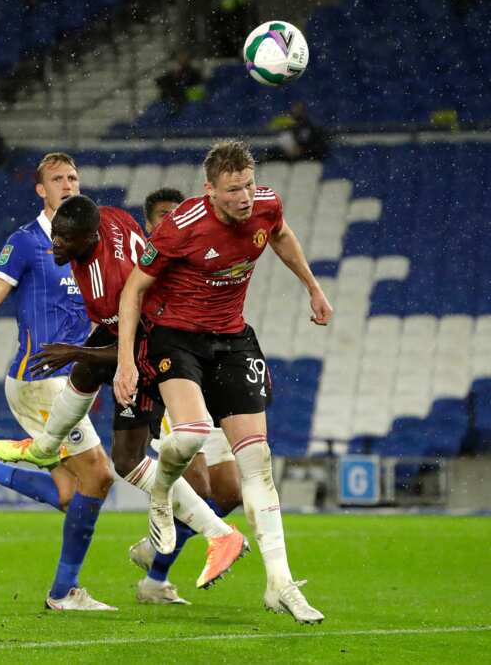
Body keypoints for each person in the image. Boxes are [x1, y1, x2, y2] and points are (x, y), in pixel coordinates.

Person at [0, 194, 246, 605]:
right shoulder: (108, 218)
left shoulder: (110, 283)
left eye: (64, 239)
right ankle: (45, 446)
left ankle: (221, 534)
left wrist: (75, 352)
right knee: (87, 369)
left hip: (160, 346)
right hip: (143, 329)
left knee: (125, 459)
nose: (55, 244)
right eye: (55, 234)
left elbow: (143, 344)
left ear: (89, 236)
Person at [114, 140, 332, 623]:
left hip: (232, 340)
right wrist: (127, 361)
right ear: (209, 189)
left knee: (258, 462)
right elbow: (134, 288)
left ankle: (280, 584)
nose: (245, 197)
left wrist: (313, 288)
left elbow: (280, 234)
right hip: (176, 339)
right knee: (189, 434)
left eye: (249, 185)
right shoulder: (181, 227)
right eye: (233, 190)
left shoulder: (267, 204)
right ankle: (162, 498)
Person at [0, 153, 116, 611]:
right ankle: (63, 593)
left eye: (74, 177)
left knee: (69, 493)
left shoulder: (88, 243)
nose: (68, 184)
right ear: (41, 190)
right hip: (41, 381)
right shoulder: (25, 242)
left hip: (73, 380)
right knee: (98, 475)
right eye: (57, 179)